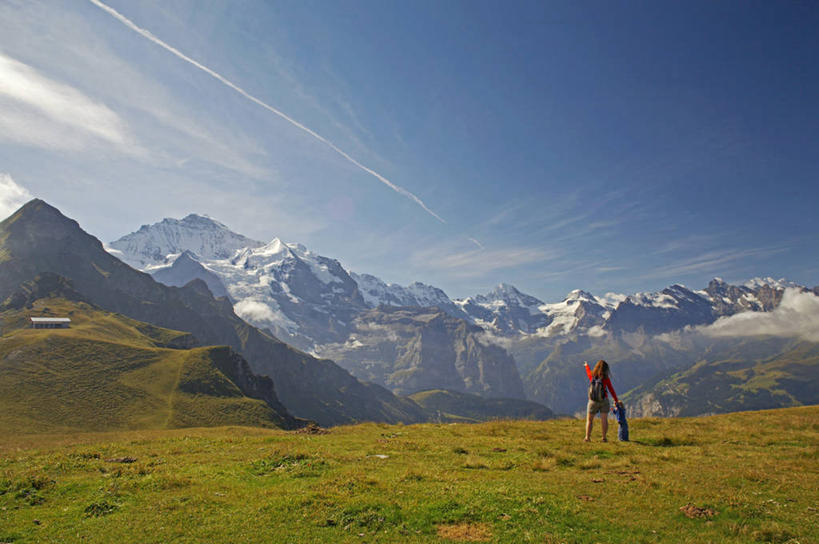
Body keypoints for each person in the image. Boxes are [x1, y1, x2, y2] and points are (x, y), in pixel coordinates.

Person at [583, 360, 621, 442]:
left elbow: (588, 372)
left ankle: (587, 438)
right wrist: (616, 400)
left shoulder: (592, 376)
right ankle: (604, 438)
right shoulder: (605, 378)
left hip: (592, 401)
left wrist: (586, 366)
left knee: (589, 420)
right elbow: (611, 389)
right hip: (604, 400)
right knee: (604, 420)